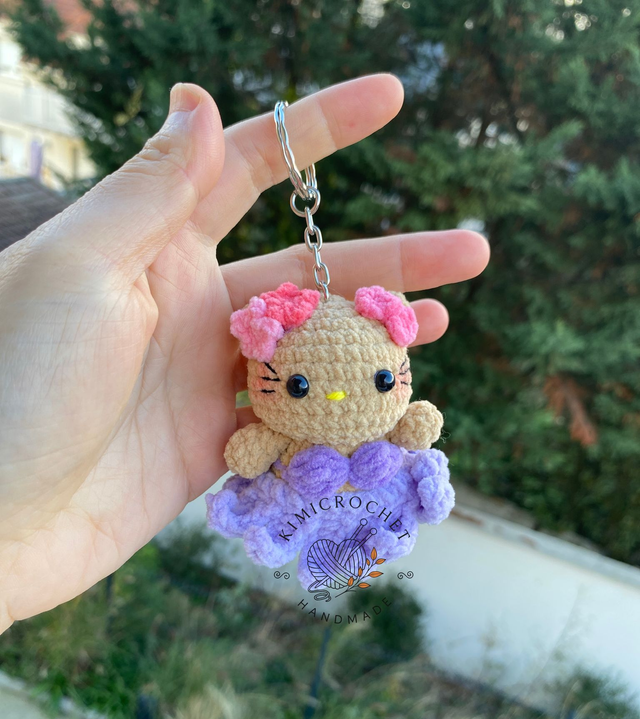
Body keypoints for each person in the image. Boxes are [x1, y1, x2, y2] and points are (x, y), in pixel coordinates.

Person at [0, 75, 489, 634]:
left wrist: (411, 424)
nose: (335, 396)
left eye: (383, 380)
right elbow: (250, 451)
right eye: (298, 386)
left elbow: (416, 425)